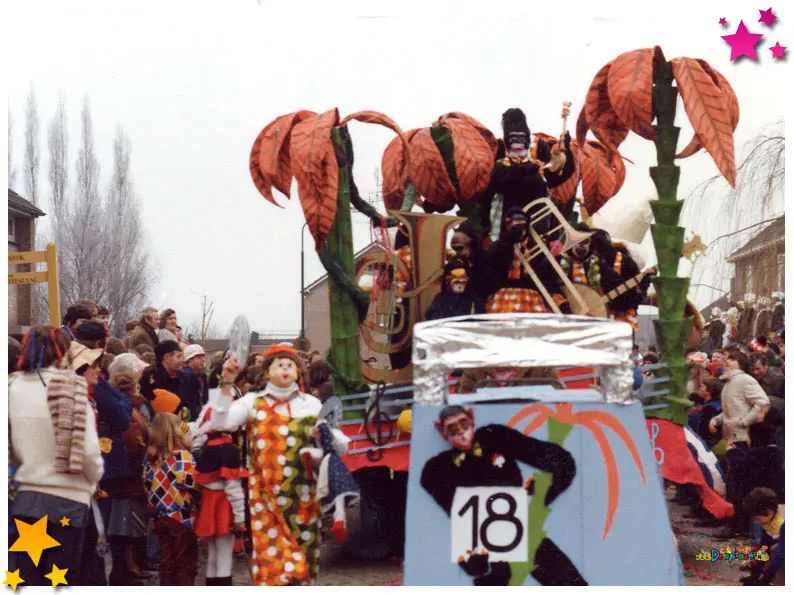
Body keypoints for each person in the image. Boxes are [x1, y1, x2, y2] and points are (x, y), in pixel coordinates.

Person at [209, 344, 349, 585]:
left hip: (304, 499)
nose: (285, 368)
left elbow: (339, 448)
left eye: (290, 365)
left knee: (303, 568)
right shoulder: (253, 402)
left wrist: (326, 438)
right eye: (279, 364)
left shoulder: (312, 405)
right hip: (266, 501)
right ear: (266, 373)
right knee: (272, 570)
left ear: (298, 372)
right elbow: (220, 423)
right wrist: (225, 384)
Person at [420, 405, 585, 586]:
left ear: (472, 418)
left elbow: (560, 461)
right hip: (487, 545)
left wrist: (543, 490)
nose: (461, 432)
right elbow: (459, 515)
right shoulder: (436, 469)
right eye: (452, 428)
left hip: (519, 531)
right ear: (441, 430)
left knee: (566, 579)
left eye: (464, 424)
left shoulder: (494, 437)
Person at [8, 327, 104, 586]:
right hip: (67, 497)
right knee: (59, 582)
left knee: (27, 580)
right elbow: (88, 451)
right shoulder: (71, 387)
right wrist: (93, 480)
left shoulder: (11, 387)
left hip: (26, 497)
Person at [189, 384, 248, 586]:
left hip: (209, 503)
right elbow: (233, 489)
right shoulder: (229, 450)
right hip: (224, 505)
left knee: (213, 553)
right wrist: (240, 517)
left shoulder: (206, 450)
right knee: (224, 555)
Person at [106, 371, 151, 585]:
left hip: (124, 473)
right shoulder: (131, 411)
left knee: (125, 522)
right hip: (128, 473)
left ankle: (128, 566)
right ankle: (126, 568)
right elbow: (135, 442)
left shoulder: (127, 408)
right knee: (126, 522)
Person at [143, 413, 198, 586]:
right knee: (185, 563)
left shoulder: (151, 458)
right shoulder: (182, 456)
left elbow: (147, 483)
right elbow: (190, 483)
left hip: (160, 516)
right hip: (181, 517)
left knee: (166, 561)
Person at [709, 349, 770, 447]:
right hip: (729, 437)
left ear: (741, 363)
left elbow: (763, 402)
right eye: (727, 359)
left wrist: (744, 422)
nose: (727, 361)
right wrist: (716, 420)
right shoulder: (728, 382)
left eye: (732, 359)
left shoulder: (745, 379)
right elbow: (731, 410)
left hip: (741, 438)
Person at [741, 487, 785, 586]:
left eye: (757, 518)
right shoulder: (769, 518)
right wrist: (756, 572)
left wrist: (766, 578)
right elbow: (764, 546)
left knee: (778, 554)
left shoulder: (784, 521)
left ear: (769, 512)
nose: (756, 522)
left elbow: (781, 552)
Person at [141, 340, 184, 414]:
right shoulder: (153, 380)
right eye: (178, 356)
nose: (182, 360)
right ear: (167, 358)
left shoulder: (177, 376)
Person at [179, 344, 209, 422]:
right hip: (190, 418)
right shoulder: (187, 376)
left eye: (203, 357)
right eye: (199, 357)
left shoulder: (202, 375)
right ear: (190, 360)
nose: (203, 360)